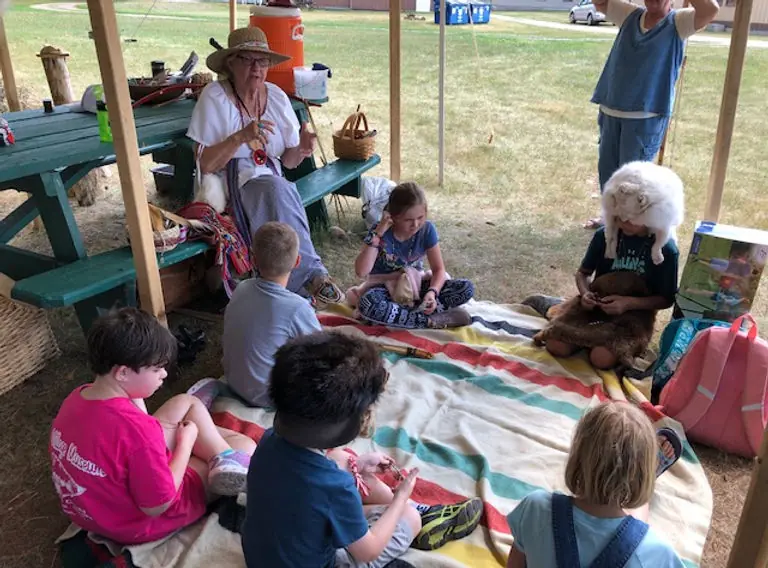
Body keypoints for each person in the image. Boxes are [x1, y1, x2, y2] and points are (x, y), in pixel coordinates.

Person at [242, 331, 484, 568]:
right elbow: (369, 551)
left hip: (263, 556)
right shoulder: (335, 487)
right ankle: (415, 513)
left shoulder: (268, 439)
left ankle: (400, 512)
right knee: (408, 517)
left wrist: (358, 465)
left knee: (343, 460)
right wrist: (400, 498)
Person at [49, 308, 256, 546]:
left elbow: (125, 435)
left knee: (186, 402)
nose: (164, 374)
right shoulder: (138, 432)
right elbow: (158, 505)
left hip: (93, 512)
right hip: (138, 523)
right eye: (157, 369)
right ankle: (225, 457)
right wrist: (186, 444)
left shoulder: (77, 397)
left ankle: (217, 450)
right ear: (123, 372)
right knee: (244, 445)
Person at [187, 26, 343, 308]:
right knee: (277, 189)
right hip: (229, 184)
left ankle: (287, 282)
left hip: (272, 182)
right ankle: (307, 277)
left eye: (263, 61)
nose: (256, 68)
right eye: (248, 60)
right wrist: (240, 137)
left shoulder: (276, 97)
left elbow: (288, 161)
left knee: (279, 189)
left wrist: (303, 148)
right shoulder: (215, 97)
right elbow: (206, 163)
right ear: (231, 64)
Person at [584, 0, 719, 228]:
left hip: (645, 117)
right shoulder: (629, 14)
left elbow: (710, 10)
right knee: (608, 172)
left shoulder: (679, 22)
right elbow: (600, 3)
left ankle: (631, 227)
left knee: (635, 178)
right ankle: (610, 219)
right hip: (611, 107)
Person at [506, 402, 684, 568]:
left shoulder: (535, 509)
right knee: (635, 535)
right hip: (638, 548)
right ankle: (646, 473)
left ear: (577, 458)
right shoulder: (657, 554)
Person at [545, 217, 678, 369]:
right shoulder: (605, 235)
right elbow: (583, 273)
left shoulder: (665, 248)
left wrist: (628, 303)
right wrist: (585, 293)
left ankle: (594, 342)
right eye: (618, 216)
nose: (623, 222)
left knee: (601, 358)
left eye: (630, 218)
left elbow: (666, 299)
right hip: (597, 306)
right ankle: (586, 337)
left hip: (634, 317)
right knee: (555, 345)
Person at [350, 182, 475, 329]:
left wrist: (432, 293)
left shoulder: (427, 230)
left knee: (466, 288)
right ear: (393, 217)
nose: (415, 224)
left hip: (415, 286)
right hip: (385, 290)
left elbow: (438, 269)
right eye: (408, 220)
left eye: (420, 217)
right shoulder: (378, 232)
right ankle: (429, 320)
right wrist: (378, 234)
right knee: (368, 303)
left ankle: (403, 316)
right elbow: (361, 271)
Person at [223, 221, 321, 407]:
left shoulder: (241, 288)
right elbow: (322, 354)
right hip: (270, 397)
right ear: (297, 261)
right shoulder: (298, 308)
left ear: (252, 259)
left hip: (234, 383)